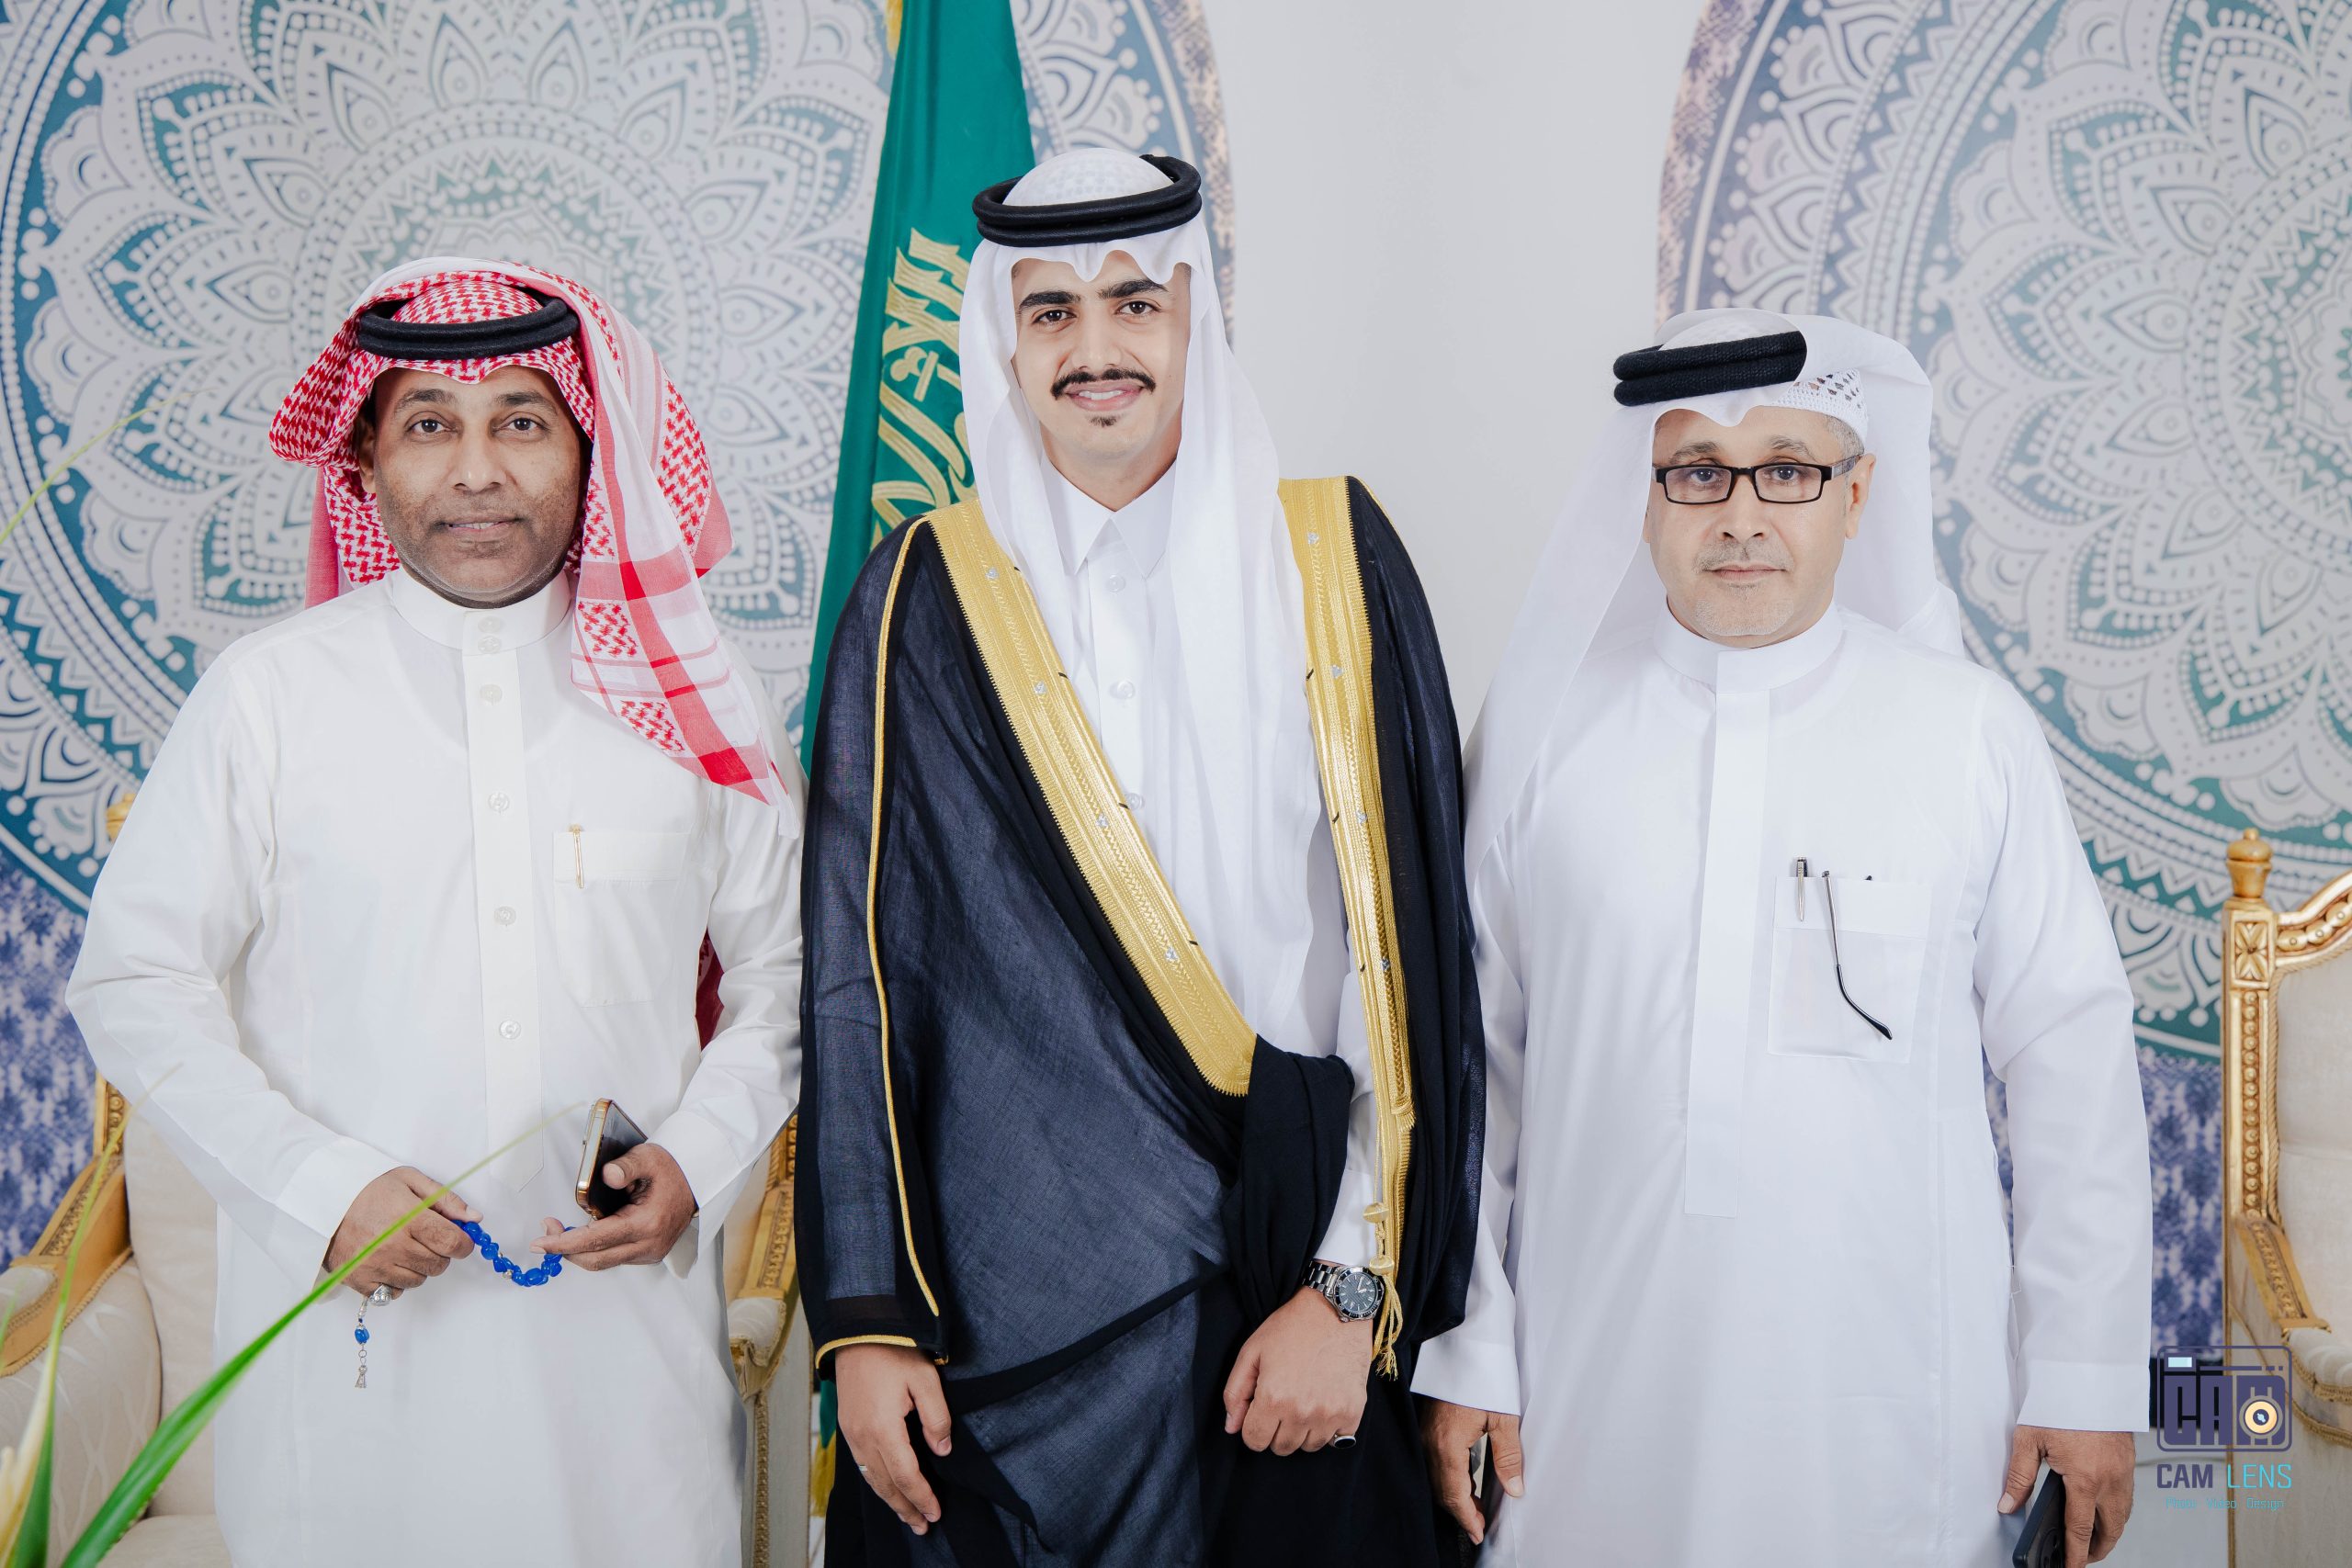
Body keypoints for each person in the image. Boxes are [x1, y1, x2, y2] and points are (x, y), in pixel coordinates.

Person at [796, 150, 1483, 1566]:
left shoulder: (1332, 563)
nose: (1095, 349)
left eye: (1134, 304)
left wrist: (1351, 1286)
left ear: (1193, 322)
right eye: (1051, 312)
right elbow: (860, 979)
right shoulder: (924, 590)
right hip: (996, 1308)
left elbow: (1412, 966)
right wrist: (869, 1318)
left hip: (1285, 1286)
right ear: (1004, 340)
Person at [67, 260, 803, 1567]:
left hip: (623, 1383)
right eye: (429, 424)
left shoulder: (695, 697)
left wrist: (699, 1156)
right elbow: (135, 981)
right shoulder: (268, 700)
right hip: (350, 1385)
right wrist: (319, 1190)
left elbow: (792, 971)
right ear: (364, 457)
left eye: (521, 421)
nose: (477, 472)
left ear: (588, 446)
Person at [1412, 310, 2153, 1568]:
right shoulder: (1543, 737)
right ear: (1645, 497)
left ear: (1856, 498)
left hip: (1901, 1397)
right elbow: (1472, 1069)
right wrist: (1469, 1343)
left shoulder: (1968, 736)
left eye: (1790, 471)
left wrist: (2084, 1373)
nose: (1742, 516)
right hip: (1589, 1394)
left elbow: (2069, 1058)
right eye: (1698, 472)